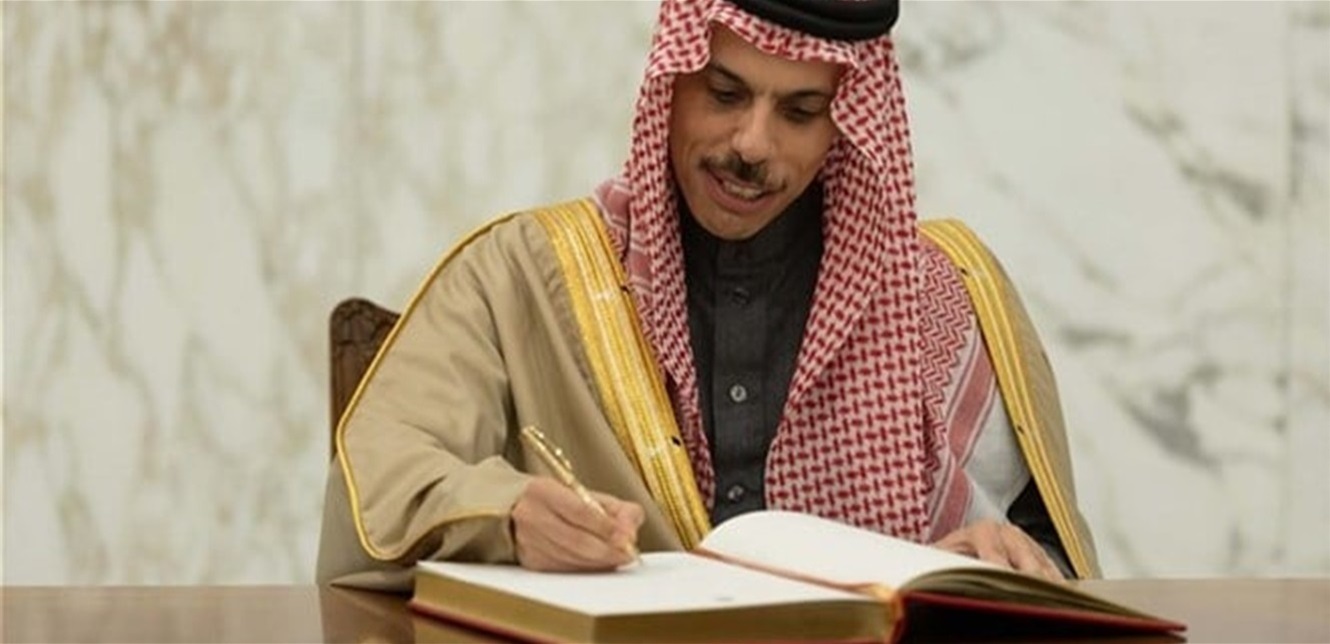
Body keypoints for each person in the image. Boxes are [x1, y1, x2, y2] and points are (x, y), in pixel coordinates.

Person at [316, 0, 1100, 591]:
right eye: (725, 94)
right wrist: (509, 514)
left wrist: (994, 568)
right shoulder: (521, 277)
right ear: (672, 83)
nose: (753, 145)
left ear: (845, 126)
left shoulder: (941, 295)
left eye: (800, 112)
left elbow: (1052, 567)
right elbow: (381, 476)